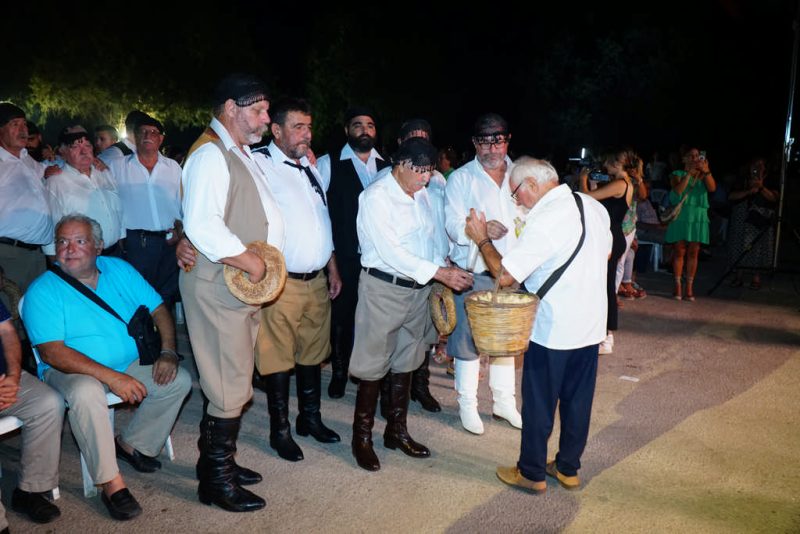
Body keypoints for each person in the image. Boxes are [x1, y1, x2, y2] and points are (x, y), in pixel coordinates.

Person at [22, 214, 191, 521]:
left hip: (127, 362)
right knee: (87, 393)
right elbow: (53, 353)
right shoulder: (42, 290)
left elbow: (158, 308)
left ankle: (131, 444)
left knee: (178, 380)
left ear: (98, 246)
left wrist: (168, 351)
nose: (69, 249)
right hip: (70, 370)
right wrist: (112, 378)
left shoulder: (119, 269)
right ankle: (111, 483)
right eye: (62, 242)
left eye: (80, 241)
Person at [464, 156, 611, 495]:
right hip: (590, 324)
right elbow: (606, 254)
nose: (517, 201)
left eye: (516, 193)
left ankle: (531, 472)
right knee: (578, 402)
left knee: (540, 403)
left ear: (531, 184)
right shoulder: (592, 206)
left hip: (553, 328)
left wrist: (481, 239)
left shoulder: (546, 218)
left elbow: (505, 275)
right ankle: (568, 468)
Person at [180, 73, 284, 512]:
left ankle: (215, 463)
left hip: (236, 287)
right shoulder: (210, 154)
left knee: (233, 379)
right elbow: (201, 223)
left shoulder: (237, 151)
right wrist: (252, 263)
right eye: (257, 110)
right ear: (230, 108)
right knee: (227, 384)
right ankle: (216, 483)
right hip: (221, 283)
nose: (264, 118)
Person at [350, 138, 473, 472]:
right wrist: (440, 273)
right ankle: (362, 438)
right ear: (400, 164)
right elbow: (391, 252)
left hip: (418, 290)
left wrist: (442, 265)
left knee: (407, 359)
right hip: (384, 288)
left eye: (429, 171)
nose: (426, 178)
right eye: (420, 171)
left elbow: (429, 238)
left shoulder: (421, 193)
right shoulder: (376, 197)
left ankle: (396, 431)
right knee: (373, 364)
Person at [251, 98, 342, 462]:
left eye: (309, 127)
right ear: (276, 130)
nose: (307, 134)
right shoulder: (258, 164)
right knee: (276, 358)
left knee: (313, 353)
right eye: (298, 127)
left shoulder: (310, 167)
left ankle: (310, 419)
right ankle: (280, 430)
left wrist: (332, 267)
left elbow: (321, 222)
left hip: (317, 280)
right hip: (282, 282)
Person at [444, 113, 524, 435]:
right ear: (475, 143)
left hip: (512, 271)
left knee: (506, 340)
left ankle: (504, 402)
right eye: (485, 141)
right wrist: (478, 230)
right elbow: (452, 225)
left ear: (508, 139)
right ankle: (467, 404)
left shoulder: (520, 174)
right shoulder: (461, 178)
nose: (492, 147)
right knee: (468, 342)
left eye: (498, 139)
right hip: (474, 270)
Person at [374, 118, 449, 413]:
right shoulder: (385, 181)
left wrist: (443, 262)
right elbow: (386, 240)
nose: (419, 144)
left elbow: (437, 224)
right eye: (412, 139)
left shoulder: (437, 180)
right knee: (393, 343)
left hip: (432, 268)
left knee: (424, 337)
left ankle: (420, 387)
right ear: (400, 145)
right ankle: (388, 398)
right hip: (403, 273)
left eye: (424, 139)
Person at [317, 107, 390, 398]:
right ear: (347, 130)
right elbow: (319, 214)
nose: (365, 130)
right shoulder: (328, 163)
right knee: (342, 317)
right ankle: (339, 371)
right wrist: (331, 262)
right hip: (345, 256)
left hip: (379, 259)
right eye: (358, 125)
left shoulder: (387, 166)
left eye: (370, 125)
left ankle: (364, 372)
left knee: (372, 320)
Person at [0, 299, 64, 529]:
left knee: (48, 403)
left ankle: (30, 490)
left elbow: (7, 331)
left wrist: (13, 376)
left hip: (4, 379)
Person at [108, 116, 182, 309]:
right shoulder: (118, 166)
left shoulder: (173, 167)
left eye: (153, 132)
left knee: (166, 296)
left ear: (161, 139)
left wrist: (180, 232)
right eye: (143, 132)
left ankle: (165, 329)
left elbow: (181, 202)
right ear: (136, 136)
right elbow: (110, 201)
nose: (148, 136)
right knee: (138, 297)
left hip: (169, 242)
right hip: (137, 243)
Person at [579, 149, 636, 355]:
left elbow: (586, 198)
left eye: (607, 162)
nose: (604, 166)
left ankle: (606, 336)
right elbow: (598, 204)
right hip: (611, 237)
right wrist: (594, 184)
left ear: (616, 163)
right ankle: (603, 333)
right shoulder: (623, 183)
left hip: (611, 238)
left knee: (605, 287)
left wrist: (583, 179)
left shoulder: (620, 184)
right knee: (604, 285)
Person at [43, 126, 125, 258]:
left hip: (115, 253)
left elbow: (117, 208)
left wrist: (121, 240)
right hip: (81, 257)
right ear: (63, 152)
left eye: (87, 145)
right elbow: (51, 226)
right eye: (75, 147)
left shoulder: (103, 172)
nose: (84, 151)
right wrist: (56, 262)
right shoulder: (56, 182)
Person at [0, 103, 52, 292]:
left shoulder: (26, 158)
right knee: (9, 309)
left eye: (24, 124)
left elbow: (48, 172)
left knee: (35, 309)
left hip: (37, 255)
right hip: (8, 257)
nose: (23, 130)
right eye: (15, 124)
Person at [665, 147, 716, 301]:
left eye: (697, 156)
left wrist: (706, 171)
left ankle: (689, 286)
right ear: (684, 159)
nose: (695, 158)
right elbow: (678, 191)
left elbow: (712, 188)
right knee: (679, 250)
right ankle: (677, 285)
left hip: (698, 217)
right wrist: (689, 174)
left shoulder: (704, 175)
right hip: (682, 216)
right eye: (691, 156)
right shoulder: (676, 174)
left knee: (694, 252)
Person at [727, 157, 778, 289]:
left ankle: (756, 277)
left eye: (761, 165)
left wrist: (761, 187)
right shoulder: (742, 179)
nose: (757, 168)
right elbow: (731, 196)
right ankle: (738, 275)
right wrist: (748, 191)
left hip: (761, 218)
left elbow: (774, 198)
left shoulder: (770, 179)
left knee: (759, 247)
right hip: (741, 217)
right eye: (755, 164)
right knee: (739, 244)